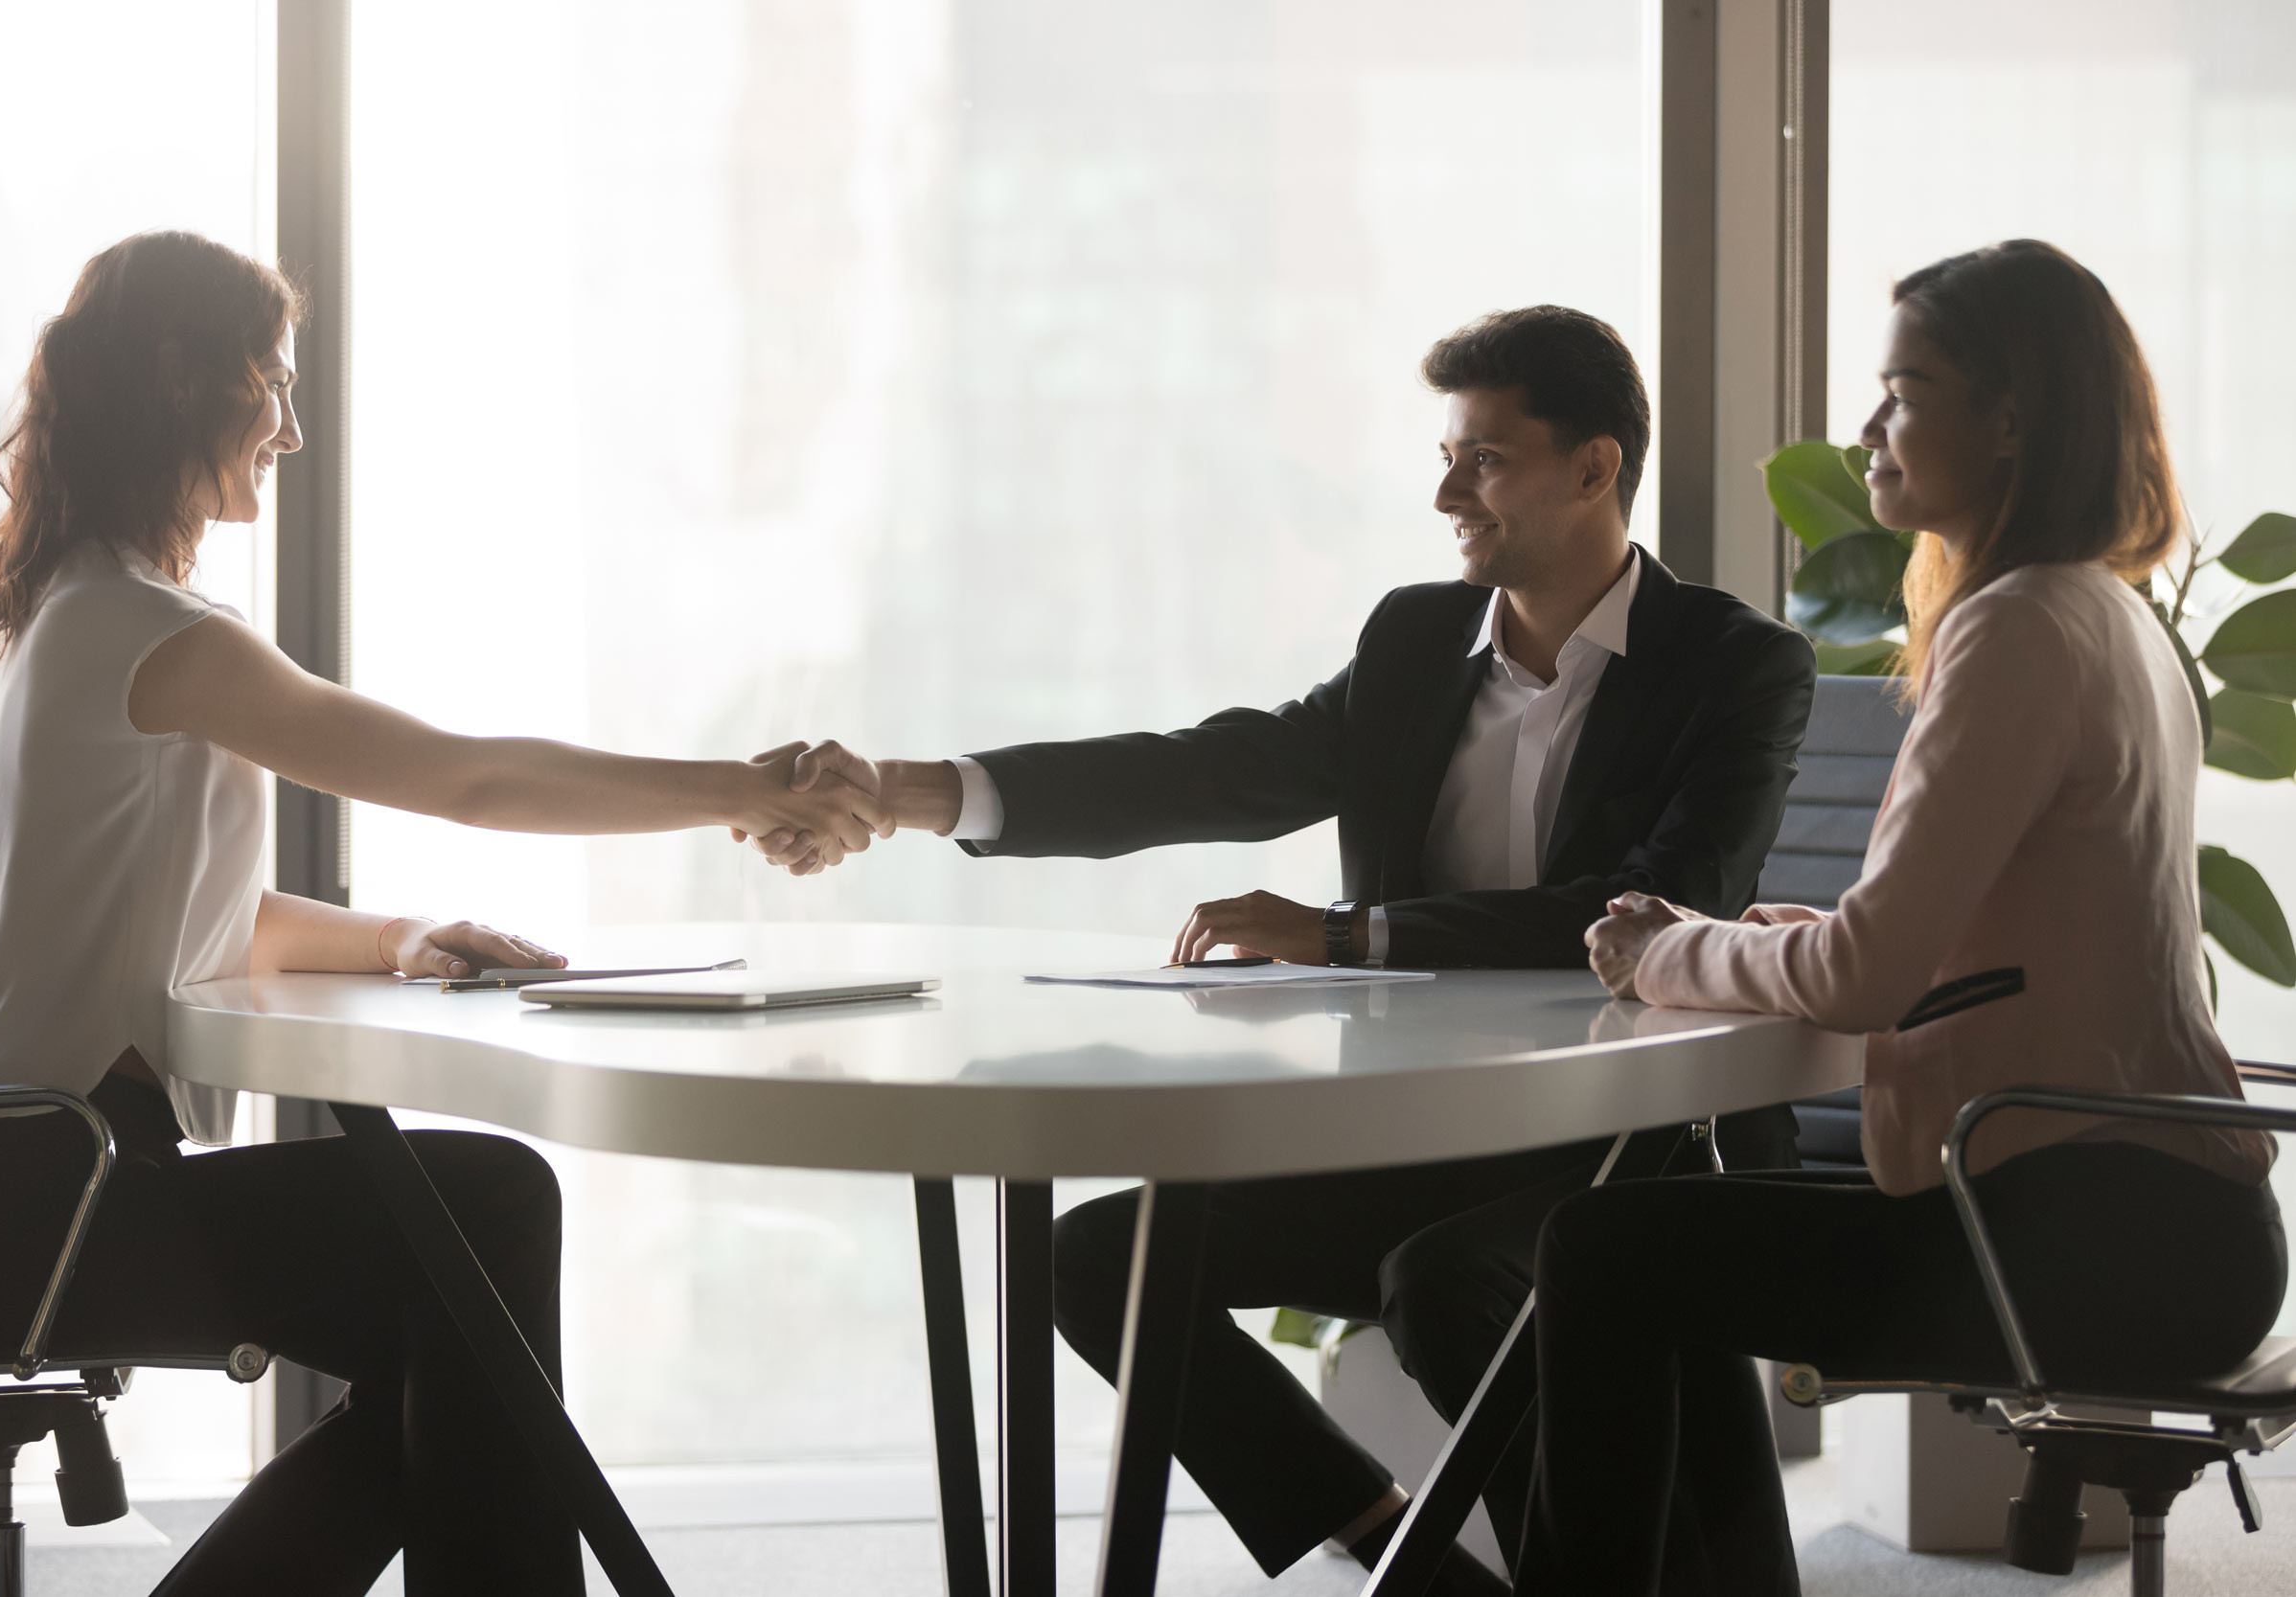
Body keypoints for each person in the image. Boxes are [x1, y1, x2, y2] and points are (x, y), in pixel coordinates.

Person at [754, 307, 1818, 1589]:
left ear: (1592, 468)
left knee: (1443, 1284)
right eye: (1446, 456)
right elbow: (1214, 771)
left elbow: (1657, 904)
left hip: (1621, 1151)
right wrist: (914, 790)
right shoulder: (1418, 643)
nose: (1445, 493)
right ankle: (1402, 1559)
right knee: (1096, 1258)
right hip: (1420, 1137)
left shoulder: (1734, 667)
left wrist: (1342, 935)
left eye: (1481, 459)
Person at [0, 231, 890, 1596]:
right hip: (48, 1201)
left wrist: (398, 941)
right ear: (187, 380)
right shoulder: (145, 633)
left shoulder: (93, 616)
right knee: (486, 1220)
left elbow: (186, 919)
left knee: (467, 1367)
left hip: (26, 1188)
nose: (292, 431)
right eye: (274, 385)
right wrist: (745, 787)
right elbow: (470, 776)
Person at [1502, 240, 2287, 1595]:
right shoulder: (2106, 616)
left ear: (2008, 418)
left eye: (1902, 389)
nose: (1867, 425)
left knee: (1605, 1251)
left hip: (2083, 1240)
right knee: (1656, 1244)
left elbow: (1867, 979)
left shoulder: (2018, 628)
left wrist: (1657, 948)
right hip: (2173, 1223)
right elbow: (2004, 935)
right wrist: (1763, 936)